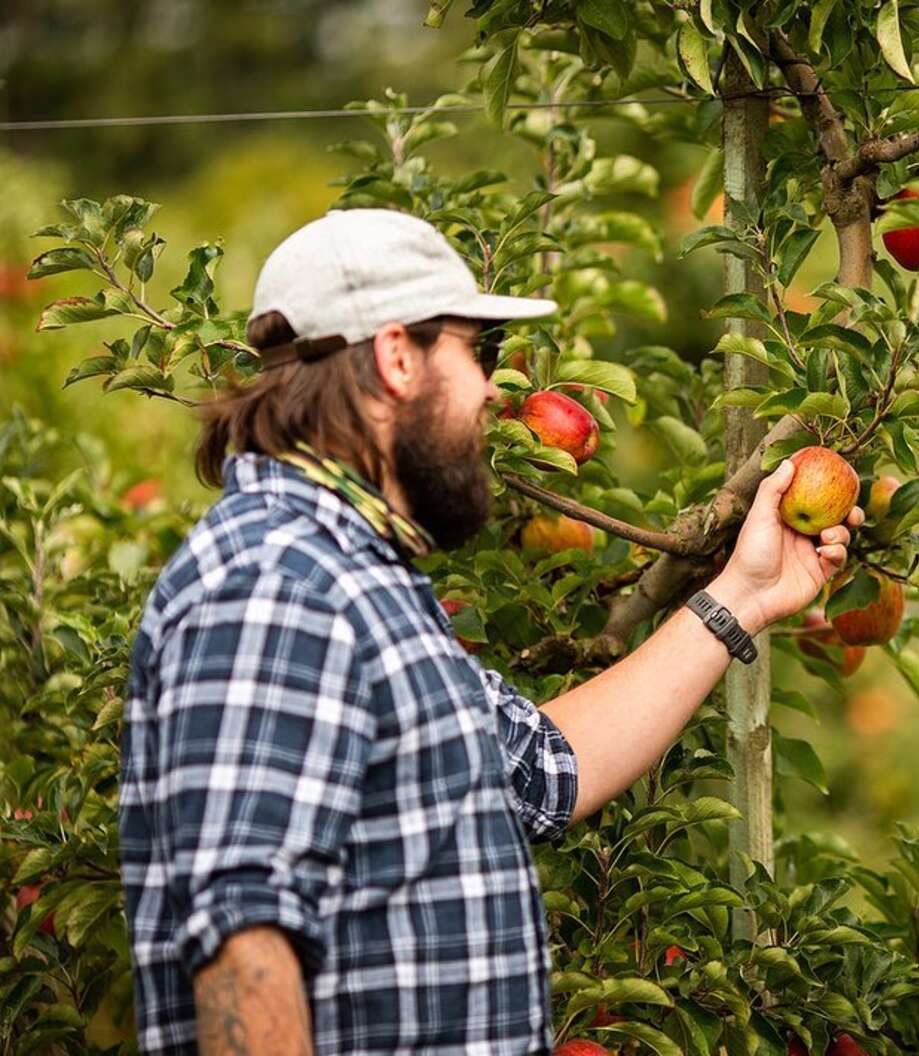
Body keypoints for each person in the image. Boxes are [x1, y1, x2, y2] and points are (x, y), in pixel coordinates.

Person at [118, 209, 862, 1055]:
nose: (493, 391)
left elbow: (544, 768)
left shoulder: (351, 582)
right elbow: (245, 945)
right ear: (397, 357)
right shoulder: (278, 582)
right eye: (479, 354)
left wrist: (747, 593)